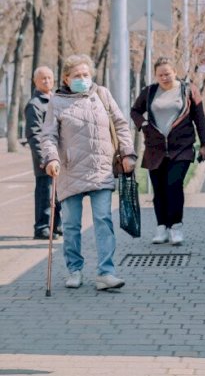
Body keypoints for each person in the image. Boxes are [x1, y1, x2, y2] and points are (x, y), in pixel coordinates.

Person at [40, 54, 136, 290]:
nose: (83, 79)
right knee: (71, 225)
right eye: (77, 75)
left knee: (103, 220)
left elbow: (121, 124)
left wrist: (128, 154)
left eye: (86, 74)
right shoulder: (57, 101)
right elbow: (48, 135)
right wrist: (51, 158)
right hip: (70, 171)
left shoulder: (102, 94)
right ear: (66, 78)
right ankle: (74, 270)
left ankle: (106, 272)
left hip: (101, 169)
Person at [131, 56, 205, 246]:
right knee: (159, 190)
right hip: (155, 149)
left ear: (174, 72)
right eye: (160, 75)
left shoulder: (188, 90)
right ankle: (161, 227)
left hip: (181, 148)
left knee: (173, 186)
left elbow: (199, 119)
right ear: (156, 75)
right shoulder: (149, 92)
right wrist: (143, 124)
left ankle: (175, 227)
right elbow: (135, 111)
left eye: (167, 73)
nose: (164, 77)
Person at [25, 66, 62, 240]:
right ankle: (41, 227)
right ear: (35, 82)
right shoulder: (35, 105)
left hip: (59, 156)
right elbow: (34, 135)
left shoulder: (56, 99)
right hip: (44, 160)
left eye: (49, 77)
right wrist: (44, 159)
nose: (47, 81)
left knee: (57, 193)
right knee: (44, 193)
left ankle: (56, 225)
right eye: (43, 79)